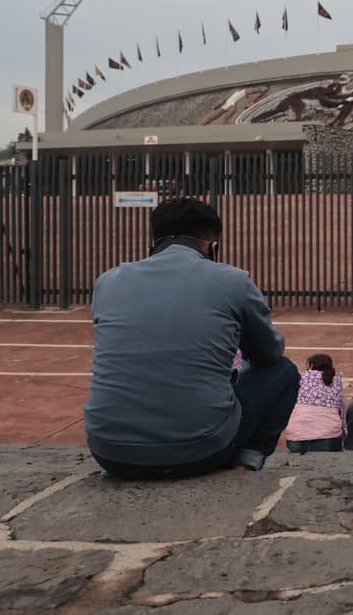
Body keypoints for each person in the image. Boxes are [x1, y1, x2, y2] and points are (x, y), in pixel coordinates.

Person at [84, 197, 299, 478]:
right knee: (285, 371)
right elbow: (269, 353)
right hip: (200, 452)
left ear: (152, 248)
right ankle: (247, 461)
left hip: (109, 452)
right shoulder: (233, 281)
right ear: (213, 249)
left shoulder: (107, 281)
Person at [284, 354, 347, 453]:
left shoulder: (301, 377)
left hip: (295, 444)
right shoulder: (336, 379)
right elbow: (342, 410)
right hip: (328, 442)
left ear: (312, 365)